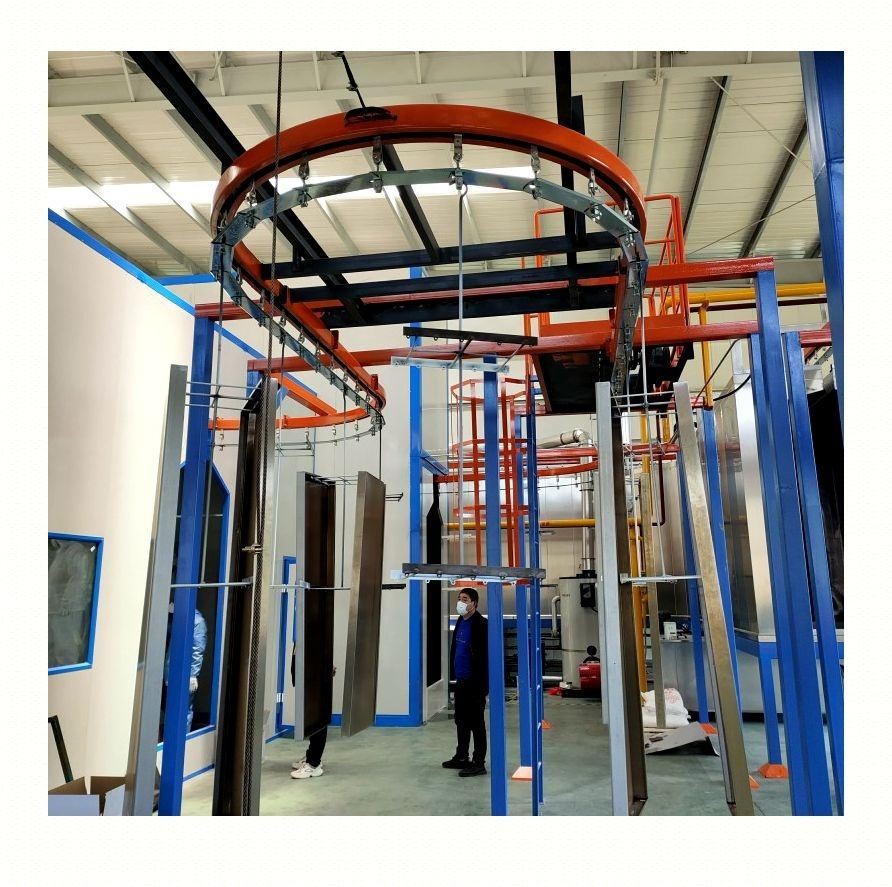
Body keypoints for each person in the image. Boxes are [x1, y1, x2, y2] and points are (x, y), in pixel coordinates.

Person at [442, 587, 489, 777]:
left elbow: (485, 657)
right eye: (460, 598)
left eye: (465, 599)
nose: (461, 602)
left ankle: (478, 762)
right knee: (460, 720)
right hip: (461, 680)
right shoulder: (461, 620)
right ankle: (461, 756)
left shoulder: (481, 624)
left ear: (474, 603)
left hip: (475, 683)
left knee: (476, 723)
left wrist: (482, 686)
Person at [289, 645, 335, 780]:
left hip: (315, 677)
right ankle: (311, 757)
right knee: (312, 718)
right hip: (309, 676)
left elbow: (321, 646)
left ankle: (313, 764)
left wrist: (326, 666)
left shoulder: (316, 634)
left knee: (317, 719)